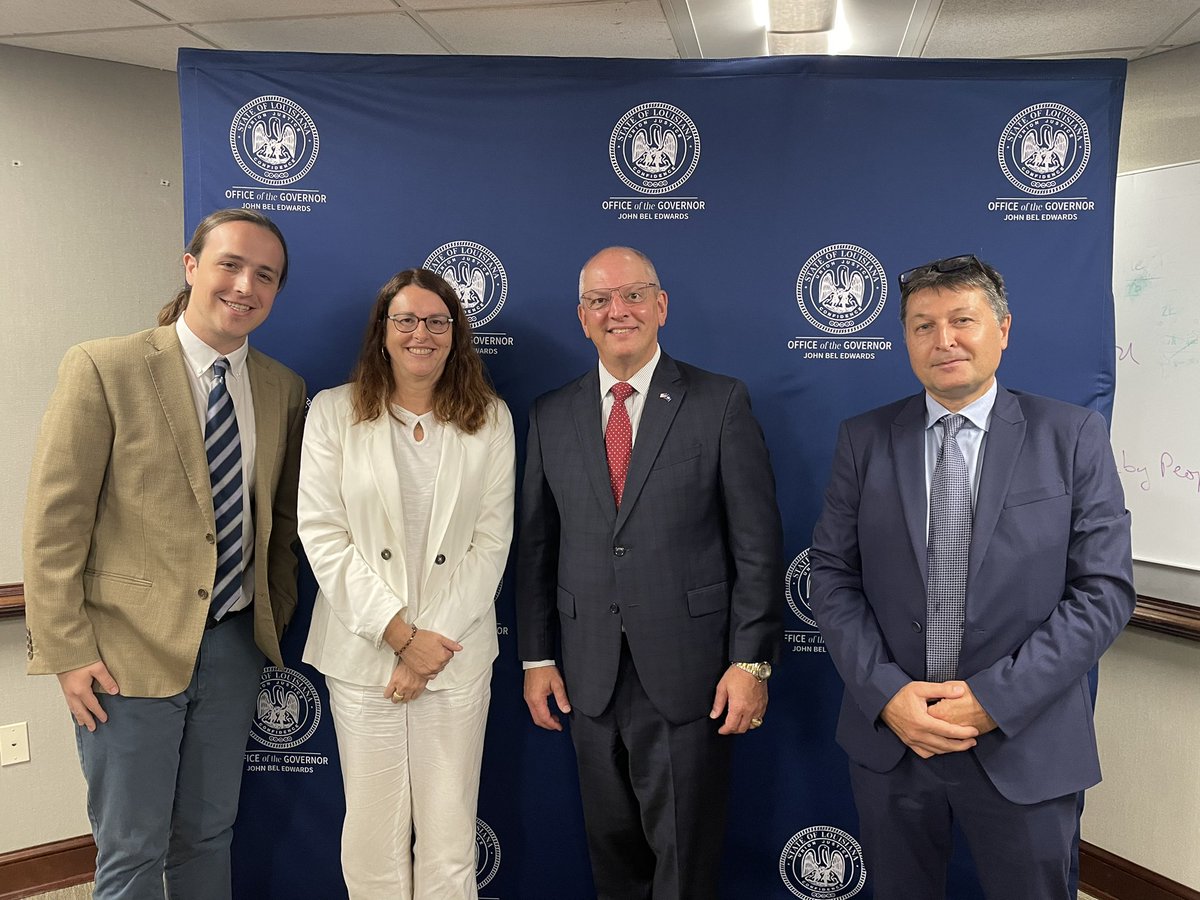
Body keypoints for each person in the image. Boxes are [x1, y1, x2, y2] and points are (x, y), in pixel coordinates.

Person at [808, 253, 1135, 899]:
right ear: (905, 338)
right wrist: (888, 694)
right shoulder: (864, 440)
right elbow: (832, 575)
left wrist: (994, 700)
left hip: (1026, 743)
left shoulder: (1071, 435)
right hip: (895, 739)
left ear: (1003, 329)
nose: (944, 339)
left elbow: (1103, 592)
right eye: (923, 325)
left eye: (963, 319)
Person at [23, 208, 306, 899]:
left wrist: (272, 613)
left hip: (234, 649)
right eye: (230, 265)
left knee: (208, 836)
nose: (245, 285)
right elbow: (55, 525)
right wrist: (66, 652)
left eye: (264, 275)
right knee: (131, 849)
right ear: (191, 268)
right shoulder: (105, 367)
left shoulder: (282, 388)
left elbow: (284, 518)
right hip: (122, 655)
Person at [516, 246, 783, 900]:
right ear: (582, 318)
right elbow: (535, 549)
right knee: (614, 858)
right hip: (587, 675)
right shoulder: (551, 414)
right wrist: (535, 659)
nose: (618, 311)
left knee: (684, 859)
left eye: (633, 295)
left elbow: (757, 544)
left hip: (692, 675)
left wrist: (751, 663)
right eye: (601, 301)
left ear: (660, 307)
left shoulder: (719, 402)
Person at [299, 268, 515, 899]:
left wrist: (429, 646)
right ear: (383, 334)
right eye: (406, 320)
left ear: (455, 334)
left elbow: (491, 541)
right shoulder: (334, 412)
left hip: (455, 655)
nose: (422, 333)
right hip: (362, 654)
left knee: (450, 840)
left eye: (437, 321)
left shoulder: (490, 419)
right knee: (372, 837)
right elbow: (322, 534)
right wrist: (398, 635)